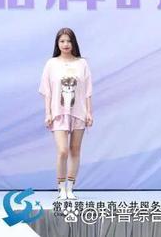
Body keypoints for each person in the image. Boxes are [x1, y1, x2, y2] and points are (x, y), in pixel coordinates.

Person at [39, 28, 93, 200]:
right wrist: (48, 113)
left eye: (68, 41)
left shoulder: (82, 63)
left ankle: (70, 188)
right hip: (58, 113)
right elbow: (47, 91)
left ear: (73, 43)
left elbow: (87, 91)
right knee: (62, 151)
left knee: (75, 150)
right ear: (57, 43)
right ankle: (61, 187)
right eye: (62, 41)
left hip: (78, 113)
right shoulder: (51, 64)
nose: (65, 44)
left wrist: (89, 112)